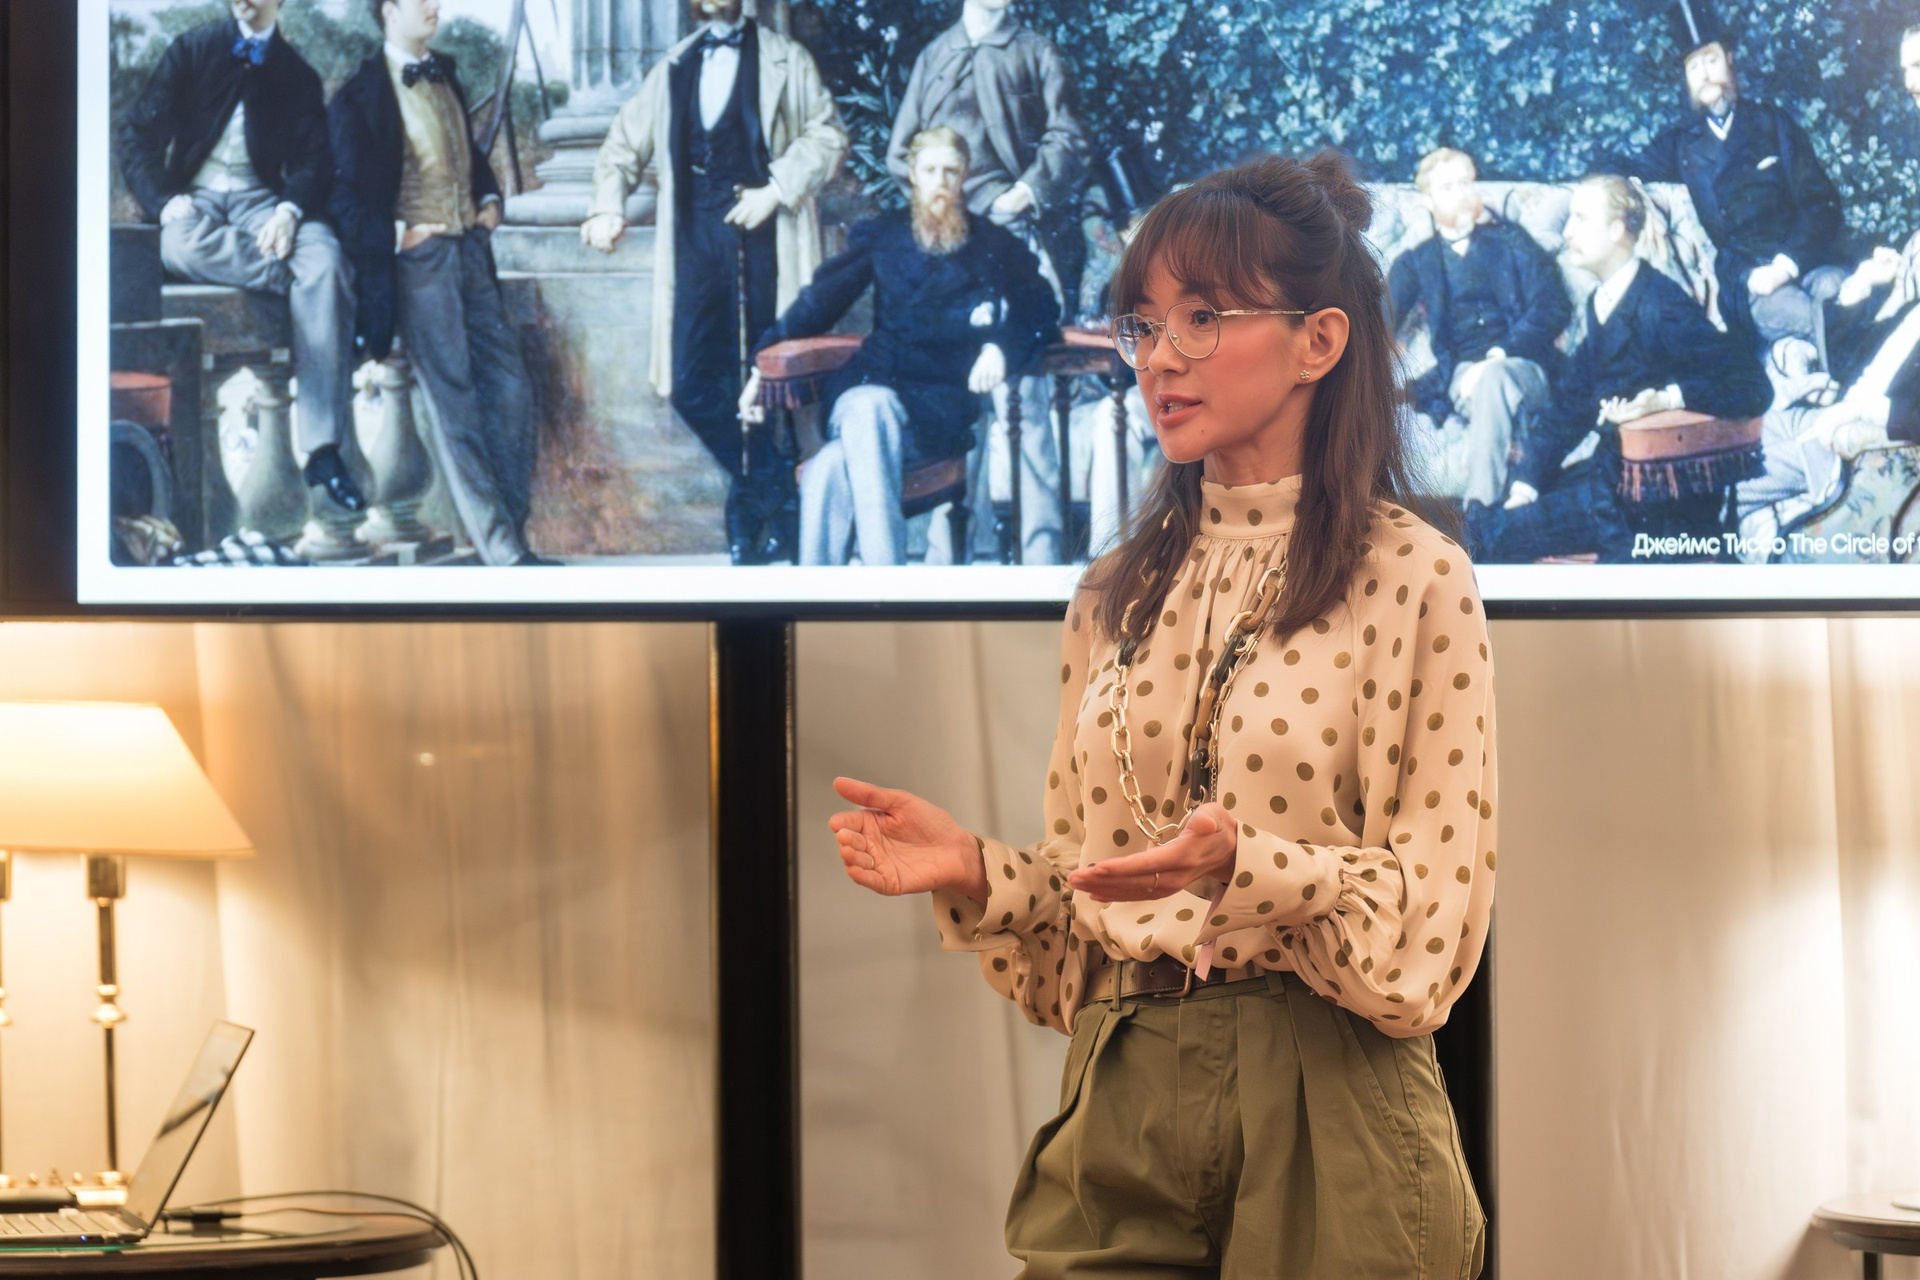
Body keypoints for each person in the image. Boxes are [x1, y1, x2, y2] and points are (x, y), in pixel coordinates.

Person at [826, 153, 1492, 1276]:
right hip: (1124, 1076)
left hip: (1329, 1089)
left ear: (1319, 341)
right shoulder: (1113, 590)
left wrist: (1252, 867)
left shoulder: (1414, 575)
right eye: (1143, 324)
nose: (1159, 358)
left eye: (1203, 317)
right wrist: (979, 873)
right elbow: (1086, 923)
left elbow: (1428, 930)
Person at [583, 0, 847, 564]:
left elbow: (827, 135)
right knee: (689, 383)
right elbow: (621, 147)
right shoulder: (673, 66)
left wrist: (776, 190)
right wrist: (608, 206)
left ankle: (749, 517)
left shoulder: (785, 58)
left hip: (764, 234)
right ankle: (775, 488)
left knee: (761, 378)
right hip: (696, 238)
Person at [739, 128, 1058, 566]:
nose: (940, 182)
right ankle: (887, 579)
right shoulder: (882, 234)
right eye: (930, 171)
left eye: (950, 171)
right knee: (870, 409)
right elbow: (817, 304)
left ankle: (822, 595)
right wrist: (760, 367)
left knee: (830, 469)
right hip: (874, 382)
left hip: (937, 409)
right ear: (912, 174)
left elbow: (1042, 306)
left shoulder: (991, 243)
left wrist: (1000, 347)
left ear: (965, 175)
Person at [117, 0, 366, 515]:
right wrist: (164, 200)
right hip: (197, 203)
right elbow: (137, 134)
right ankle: (298, 286)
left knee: (324, 261)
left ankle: (322, 448)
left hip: (263, 205)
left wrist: (289, 212)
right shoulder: (193, 49)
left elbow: (314, 161)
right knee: (179, 245)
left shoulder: (297, 73)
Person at [329, 0, 545, 565]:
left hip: (470, 251)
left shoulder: (444, 73)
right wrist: (398, 233)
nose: (435, 6)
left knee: (512, 391)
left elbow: (469, 157)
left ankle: (514, 534)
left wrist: (490, 199)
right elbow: (340, 198)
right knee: (457, 405)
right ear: (388, 10)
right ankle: (504, 553)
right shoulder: (359, 96)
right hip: (419, 265)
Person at [1469, 175, 1772, 562]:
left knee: (1485, 537)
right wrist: (1526, 485)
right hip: (1610, 483)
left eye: (1581, 218)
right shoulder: (1603, 301)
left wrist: (1666, 399)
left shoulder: (1661, 305)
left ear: (1616, 230)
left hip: (1653, 509)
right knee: (1492, 521)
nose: (1568, 231)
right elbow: (1569, 405)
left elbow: (1752, 384)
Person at [887, 0, 1090, 565]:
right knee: (952, 403)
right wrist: (939, 203)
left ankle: (1043, 556)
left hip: (1012, 240)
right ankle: (950, 561)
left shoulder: (1036, 52)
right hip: (949, 249)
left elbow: (1069, 136)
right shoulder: (935, 55)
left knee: (1025, 397)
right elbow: (900, 152)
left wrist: (1022, 194)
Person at [1620, 0, 1844, 352]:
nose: (1705, 74)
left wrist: (1785, 267)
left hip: (1803, 260)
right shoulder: (1680, 145)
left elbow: (1821, 203)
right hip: (1748, 282)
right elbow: (1621, 168)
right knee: (1814, 317)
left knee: (1838, 290)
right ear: (1686, 78)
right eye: (1694, 66)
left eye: (1711, 60)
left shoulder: (1772, 123)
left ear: (1729, 59)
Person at [1389, 147, 1572, 508]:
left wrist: (1500, 355)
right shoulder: (1417, 261)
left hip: (1525, 367)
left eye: (1466, 183)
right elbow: (1377, 320)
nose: (1461, 194)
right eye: (1448, 187)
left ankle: (1479, 510)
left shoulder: (1511, 241)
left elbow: (1554, 305)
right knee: (1486, 386)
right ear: (1427, 200)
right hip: (1461, 378)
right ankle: (1502, 501)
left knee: (1493, 378)